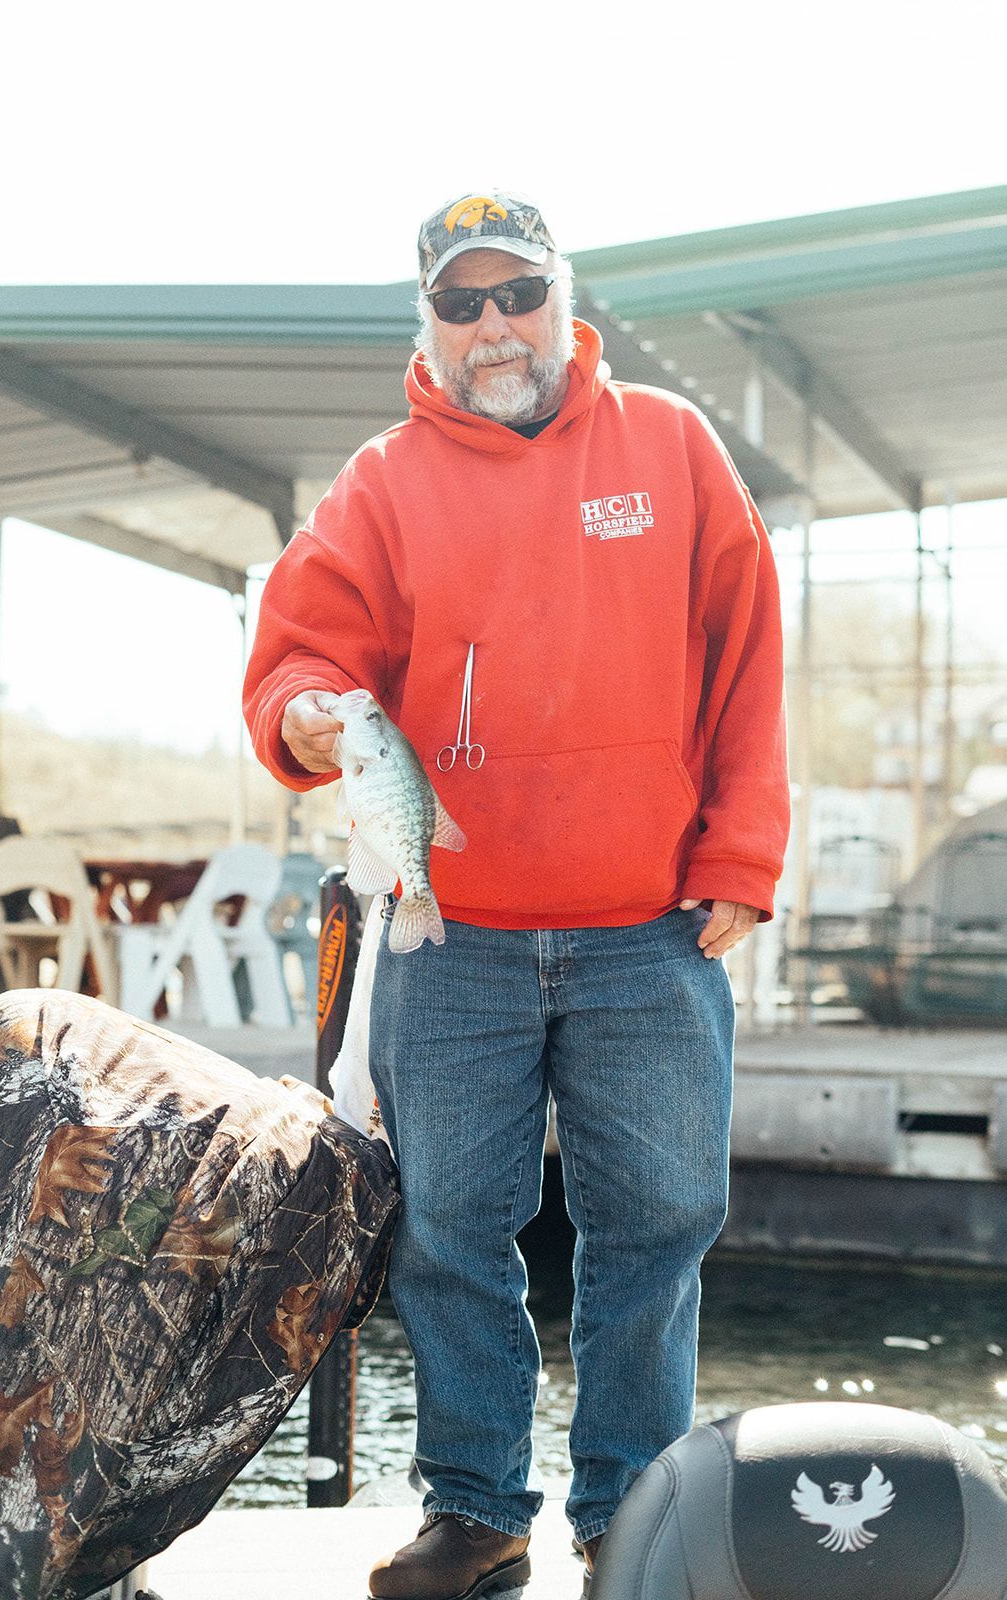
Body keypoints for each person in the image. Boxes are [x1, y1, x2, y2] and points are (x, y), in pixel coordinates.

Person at [244, 190, 790, 1600]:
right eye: (461, 302)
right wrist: (306, 716)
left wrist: (740, 856)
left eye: (517, 294)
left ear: (564, 296)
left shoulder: (669, 445)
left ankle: (631, 1517)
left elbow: (746, 659)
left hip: (649, 933)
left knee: (656, 1229)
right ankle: (476, 1511)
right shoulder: (382, 481)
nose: (494, 326)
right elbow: (304, 652)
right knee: (441, 1230)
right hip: (451, 934)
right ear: (427, 320)